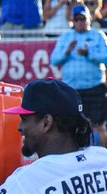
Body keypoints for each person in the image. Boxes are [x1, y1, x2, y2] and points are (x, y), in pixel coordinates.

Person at [51, 4, 107, 147]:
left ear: (89, 19)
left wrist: (89, 54)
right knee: (70, 128)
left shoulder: (98, 35)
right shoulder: (66, 37)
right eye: (77, 19)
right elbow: (54, 60)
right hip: (72, 90)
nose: (80, 22)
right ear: (72, 20)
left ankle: (103, 160)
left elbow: (105, 57)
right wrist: (67, 51)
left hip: (94, 88)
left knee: (98, 126)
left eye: (83, 18)